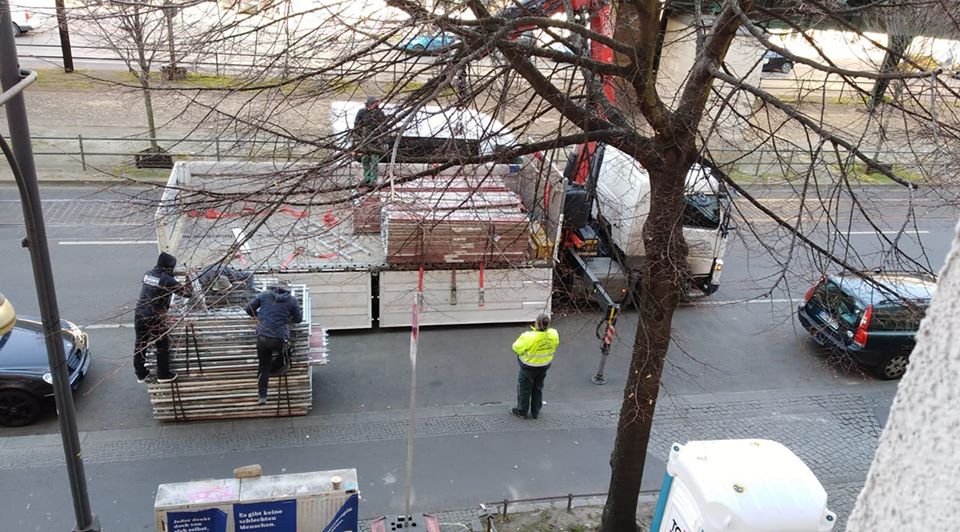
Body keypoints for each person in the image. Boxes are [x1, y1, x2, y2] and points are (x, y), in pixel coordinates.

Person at [134, 252, 192, 384]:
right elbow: (187, 294)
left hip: (140, 313)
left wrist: (165, 305)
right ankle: (163, 374)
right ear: (169, 267)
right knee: (161, 345)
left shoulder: (148, 274)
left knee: (140, 344)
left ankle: (141, 374)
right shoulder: (167, 280)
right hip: (155, 317)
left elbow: (154, 292)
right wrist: (188, 279)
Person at [245, 280, 303, 405]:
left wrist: (261, 316)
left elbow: (248, 309)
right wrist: (287, 318)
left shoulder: (264, 295)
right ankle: (275, 368)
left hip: (262, 337)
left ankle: (262, 396)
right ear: (287, 290)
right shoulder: (292, 300)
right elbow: (298, 319)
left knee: (262, 367)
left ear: (273, 288)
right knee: (289, 349)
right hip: (279, 338)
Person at [511, 314, 559, 419]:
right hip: (544, 366)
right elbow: (556, 344)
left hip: (528, 366)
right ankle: (535, 411)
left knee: (524, 389)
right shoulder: (553, 334)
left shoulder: (529, 336)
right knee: (538, 388)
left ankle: (522, 411)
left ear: (536, 323)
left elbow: (516, 348)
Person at [353, 96, 388, 186]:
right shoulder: (361, 112)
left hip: (376, 141)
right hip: (364, 140)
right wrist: (358, 137)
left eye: (376, 103)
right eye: (374, 103)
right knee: (365, 159)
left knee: (374, 160)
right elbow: (356, 125)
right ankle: (367, 178)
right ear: (369, 104)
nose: (376, 104)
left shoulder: (380, 113)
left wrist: (383, 141)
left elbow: (384, 128)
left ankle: (373, 180)